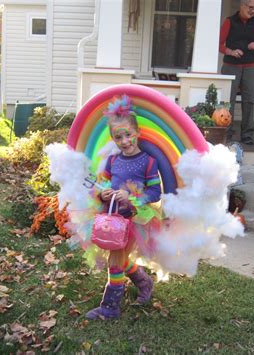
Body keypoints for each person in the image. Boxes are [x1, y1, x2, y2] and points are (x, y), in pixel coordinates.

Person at [85, 95, 162, 320]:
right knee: (118, 257)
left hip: (135, 218)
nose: (125, 141)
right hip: (112, 218)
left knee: (115, 260)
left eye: (128, 134)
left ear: (137, 132)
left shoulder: (148, 161)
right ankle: (143, 282)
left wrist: (131, 196)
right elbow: (103, 184)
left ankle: (110, 308)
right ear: (113, 138)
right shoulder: (113, 161)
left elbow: (155, 193)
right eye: (119, 137)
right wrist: (103, 192)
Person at [219, 0, 254, 144]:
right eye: (250, 7)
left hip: (250, 66)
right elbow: (219, 43)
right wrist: (231, 52)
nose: (252, 11)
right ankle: (227, 132)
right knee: (228, 101)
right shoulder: (229, 22)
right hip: (231, 65)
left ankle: (247, 135)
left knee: (249, 100)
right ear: (242, 6)